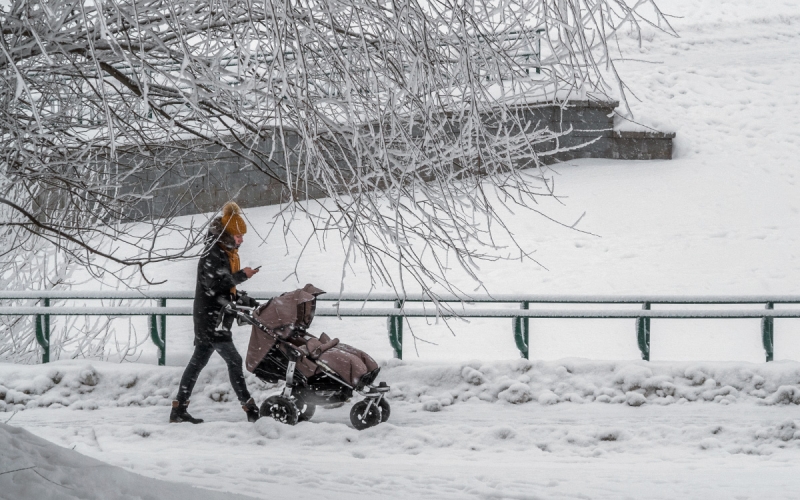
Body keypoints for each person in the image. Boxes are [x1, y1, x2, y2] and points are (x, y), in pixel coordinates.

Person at [170, 201, 261, 424]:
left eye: (242, 235)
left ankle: (179, 408)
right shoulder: (212, 254)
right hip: (211, 319)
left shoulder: (225, 254)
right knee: (234, 360)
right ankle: (250, 409)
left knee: (197, 363)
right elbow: (213, 287)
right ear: (228, 234)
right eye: (238, 234)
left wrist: (242, 298)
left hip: (215, 318)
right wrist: (242, 275)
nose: (241, 239)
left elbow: (224, 287)